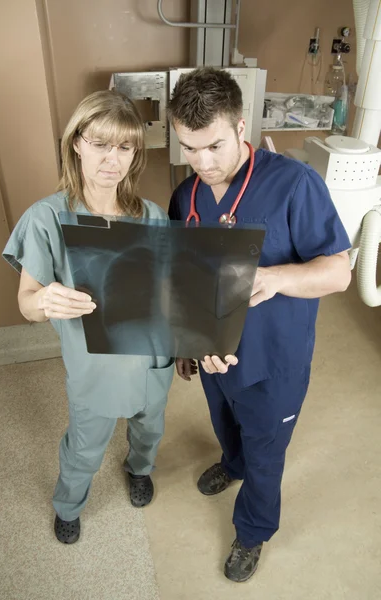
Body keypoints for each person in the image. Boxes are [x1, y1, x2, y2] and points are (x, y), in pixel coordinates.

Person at [167, 67, 352, 583]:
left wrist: (273, 278)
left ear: (241, 126)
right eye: (189, 147)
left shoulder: (295, 184)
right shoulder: (186, 196)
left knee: (267, 453)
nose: (202, 162)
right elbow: (183, 272)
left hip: (273, 362)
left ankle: (253, 532)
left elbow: (338, 272)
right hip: (214, 352)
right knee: (226, 424)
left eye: (214, 146)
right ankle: (232, 462)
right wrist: (186, 340)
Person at [2, 90, 175, 544]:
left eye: (123, 147)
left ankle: (139, 470)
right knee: (86, 444)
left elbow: (169, 293)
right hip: (94, 363)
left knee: (149, 428)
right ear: (77, 142)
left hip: (152, 356)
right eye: (100, 144)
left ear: (135, 152)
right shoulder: (47, 218)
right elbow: (26, 302)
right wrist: (45, 302)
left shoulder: (151, 216)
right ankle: (68, 503)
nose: (111, 159)